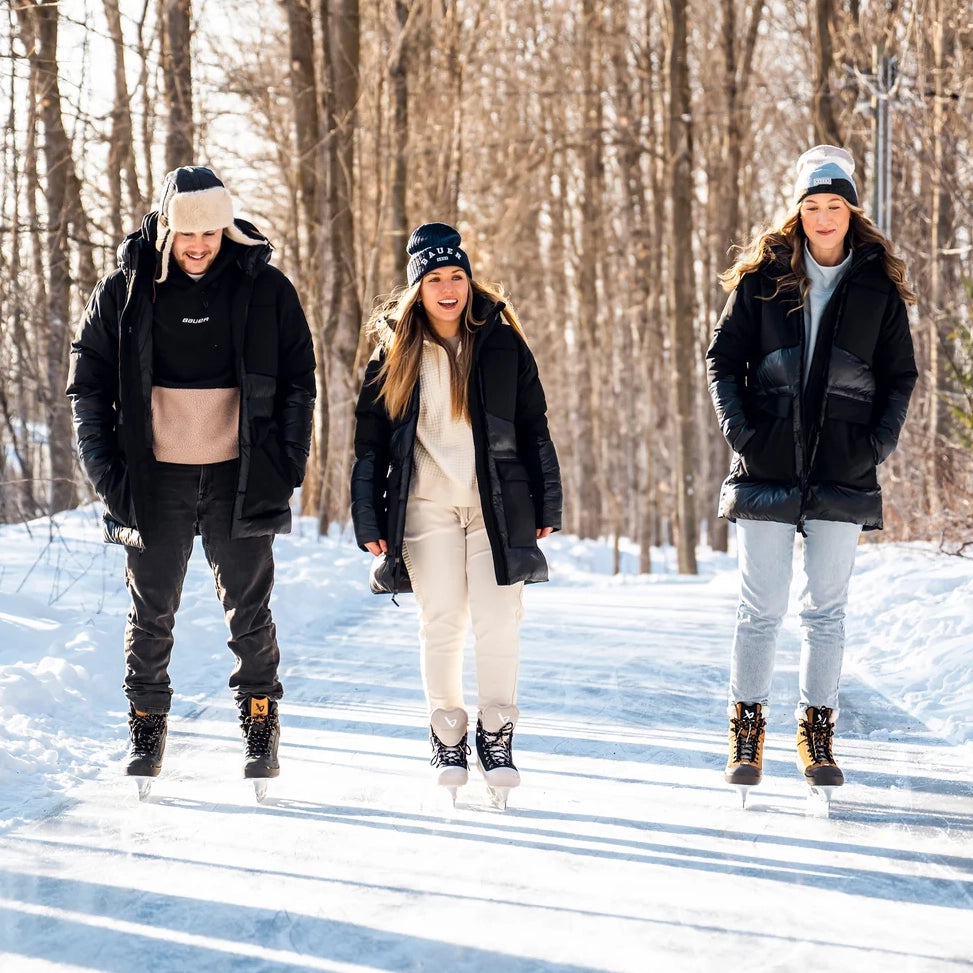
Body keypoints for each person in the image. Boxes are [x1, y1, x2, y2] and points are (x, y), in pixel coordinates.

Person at [66, 165, 316, 795]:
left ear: (226, 229)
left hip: (243, 476)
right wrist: (107, 473)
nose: (199, 245)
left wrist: (285, 466)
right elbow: (87, 385)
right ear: (166, 231)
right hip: (152, 482)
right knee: (151, 614)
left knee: (249, 614)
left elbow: (298, 383)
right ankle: (146, 733)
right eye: (187, 234)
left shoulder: (266, 288)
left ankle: (261, 731)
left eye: (210, 232)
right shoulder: (124, 289)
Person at [705, 145, 917, 799]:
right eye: (812, 206)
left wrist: (875, 444)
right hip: (767, 458)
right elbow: (721, 359)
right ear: (797, 212)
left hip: (843, 467)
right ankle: (746, 729)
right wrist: (741, 431)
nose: (823, 218)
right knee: (761, 607)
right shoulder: (762, 279)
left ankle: (816, 734)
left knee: (825, 610)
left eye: (834, 206)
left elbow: (900, 376)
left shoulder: (877, 288)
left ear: (851, 213)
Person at [351, 222, 561, 807]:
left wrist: (547, 501)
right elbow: (370, 444)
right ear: (417, 288)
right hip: (426, 506)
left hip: (497, 506)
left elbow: (534, 426)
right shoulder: (394, 352)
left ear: (469, 281)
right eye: (435, 279)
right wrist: (367, 515)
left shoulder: (502, 343)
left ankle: (496, 735)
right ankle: (447, 735)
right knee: (441, 620)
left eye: (456, 277)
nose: (448, 289)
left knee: (499, 619)